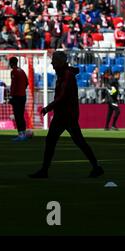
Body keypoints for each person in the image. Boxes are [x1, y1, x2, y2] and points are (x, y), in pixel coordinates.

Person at [29, 51, 104, 179]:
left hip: (65, 115)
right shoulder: (65, 74)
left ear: (59, 62)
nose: (52, 63)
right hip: (66, 114)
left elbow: (62, 97)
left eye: (54, 60)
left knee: (53, 140)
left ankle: (44, 171)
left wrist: (48, 107)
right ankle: (96, 167)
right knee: (77, 141)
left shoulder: (67, 75)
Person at [9, 57, 29, 141]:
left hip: (17, 96)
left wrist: (11, 96)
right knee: (21, 115)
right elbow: (27, 83)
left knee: (17, 116)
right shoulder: (22, 71)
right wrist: (22, 90)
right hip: (23, 96)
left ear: (11, 63)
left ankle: (21, 134)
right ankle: (23, 133)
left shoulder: (14, 72)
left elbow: (13, 86)